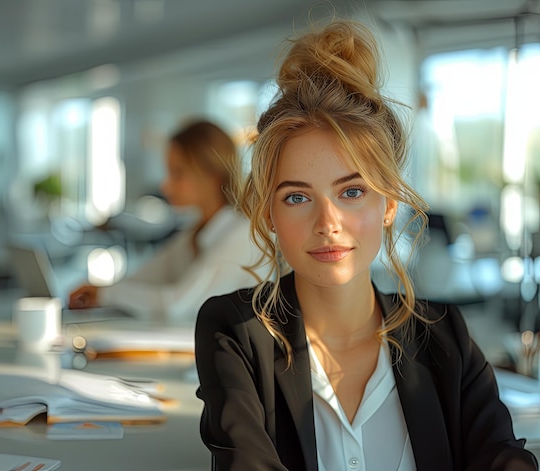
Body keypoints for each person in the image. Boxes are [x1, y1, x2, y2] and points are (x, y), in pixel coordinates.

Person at [194, 19, 539, 471]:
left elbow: (504, 458)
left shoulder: (444, 334)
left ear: (389, 203)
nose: (328, 223)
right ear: (268, 214)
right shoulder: (237, 333)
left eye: (351, 192)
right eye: (297, 197)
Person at [68, 119, 264, 322]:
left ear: (212, 176)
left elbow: (177, 305)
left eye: (177, 173)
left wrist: (105, 294)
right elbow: (146, 277)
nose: (165, 186)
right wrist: (100, 291)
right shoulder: (195, 232)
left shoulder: (242, 236)